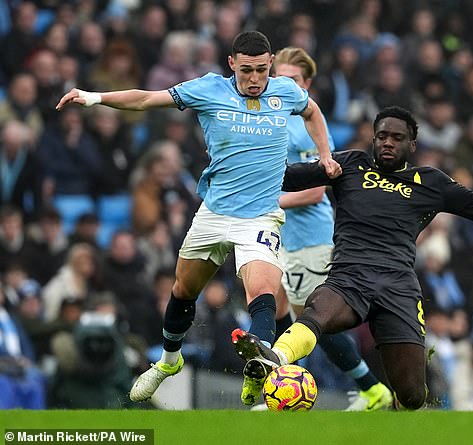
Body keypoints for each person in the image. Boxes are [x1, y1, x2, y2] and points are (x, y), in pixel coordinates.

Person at [56, 30, 341, 402]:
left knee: (264, 290)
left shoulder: (286, 91)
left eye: (260, 70)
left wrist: (325, 155)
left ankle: (264, 364)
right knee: (183, 290)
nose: (254, 80)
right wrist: (94, 97)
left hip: (260, 217)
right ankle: (169, 360)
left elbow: (313, 112)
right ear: (231, 64)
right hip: (214, 212)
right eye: (246, 71)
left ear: (270, 64)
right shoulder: (209, 89)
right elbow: (145, 99)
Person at [232, 107, 473, 410]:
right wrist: (255, 148)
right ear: (374, 138)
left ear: (412, 145)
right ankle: (273, 358)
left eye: (397, 137)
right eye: (382, 136)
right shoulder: (350, 164)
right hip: (349, 276)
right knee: (316, 312)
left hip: (398, 286)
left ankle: (393, 415)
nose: (388, 143)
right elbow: (287, 178)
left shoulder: (430, 182)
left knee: (412, 395)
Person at [263, 46, 392, 410]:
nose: (281, 85)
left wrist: (265, 203)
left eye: (290, 80)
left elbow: (316, 191)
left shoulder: (307, 127)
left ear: (306, 85)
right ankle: (284, 390)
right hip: (281, 238)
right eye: (278, 78)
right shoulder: (273, 119)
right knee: (280, 312)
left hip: (311, 241)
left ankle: (371, 389)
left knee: (312, 323)